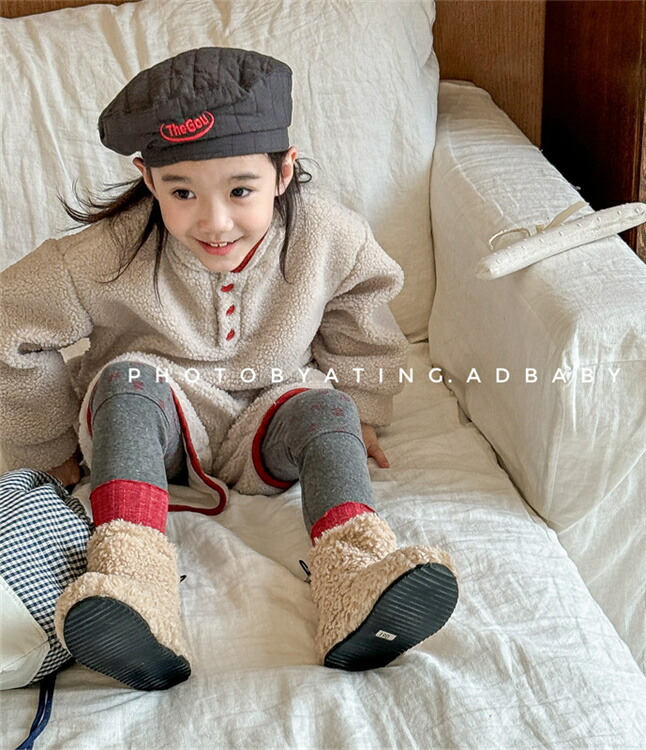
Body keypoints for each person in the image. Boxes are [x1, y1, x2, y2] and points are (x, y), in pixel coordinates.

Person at [0, 47, 458, 691]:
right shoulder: (103, 255)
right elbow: (11, 323)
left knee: (328, 406)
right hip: (152, 427)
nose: (214, 222)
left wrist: (363, 408)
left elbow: (361, 310)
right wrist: (48, 444)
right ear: (147, 179)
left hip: (268, 418)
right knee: (127, 383)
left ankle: (355, 575)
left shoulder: (329, 235)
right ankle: (132, 581)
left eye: (240, 190)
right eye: (181, 192)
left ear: (283, 170)